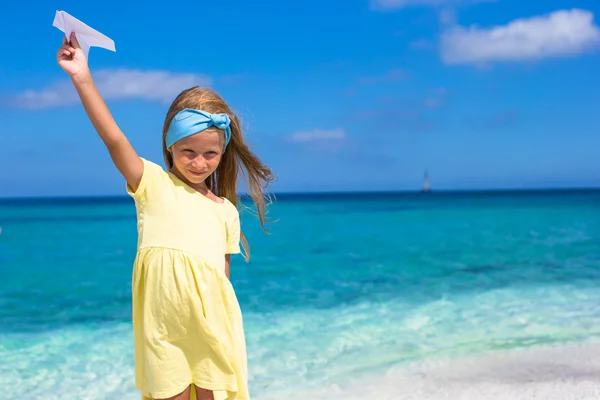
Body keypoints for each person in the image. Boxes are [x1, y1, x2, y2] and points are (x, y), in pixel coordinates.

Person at [57, 32, 275, 400]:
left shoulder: (225, 211)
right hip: (163, 332)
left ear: (222, 153)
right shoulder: (151, 185)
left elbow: (222, 281)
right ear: (170, 144)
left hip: (212, 329)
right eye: (188, 150)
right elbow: (113, 138)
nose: (199, 162)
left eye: (210, 154)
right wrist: (82, 76)